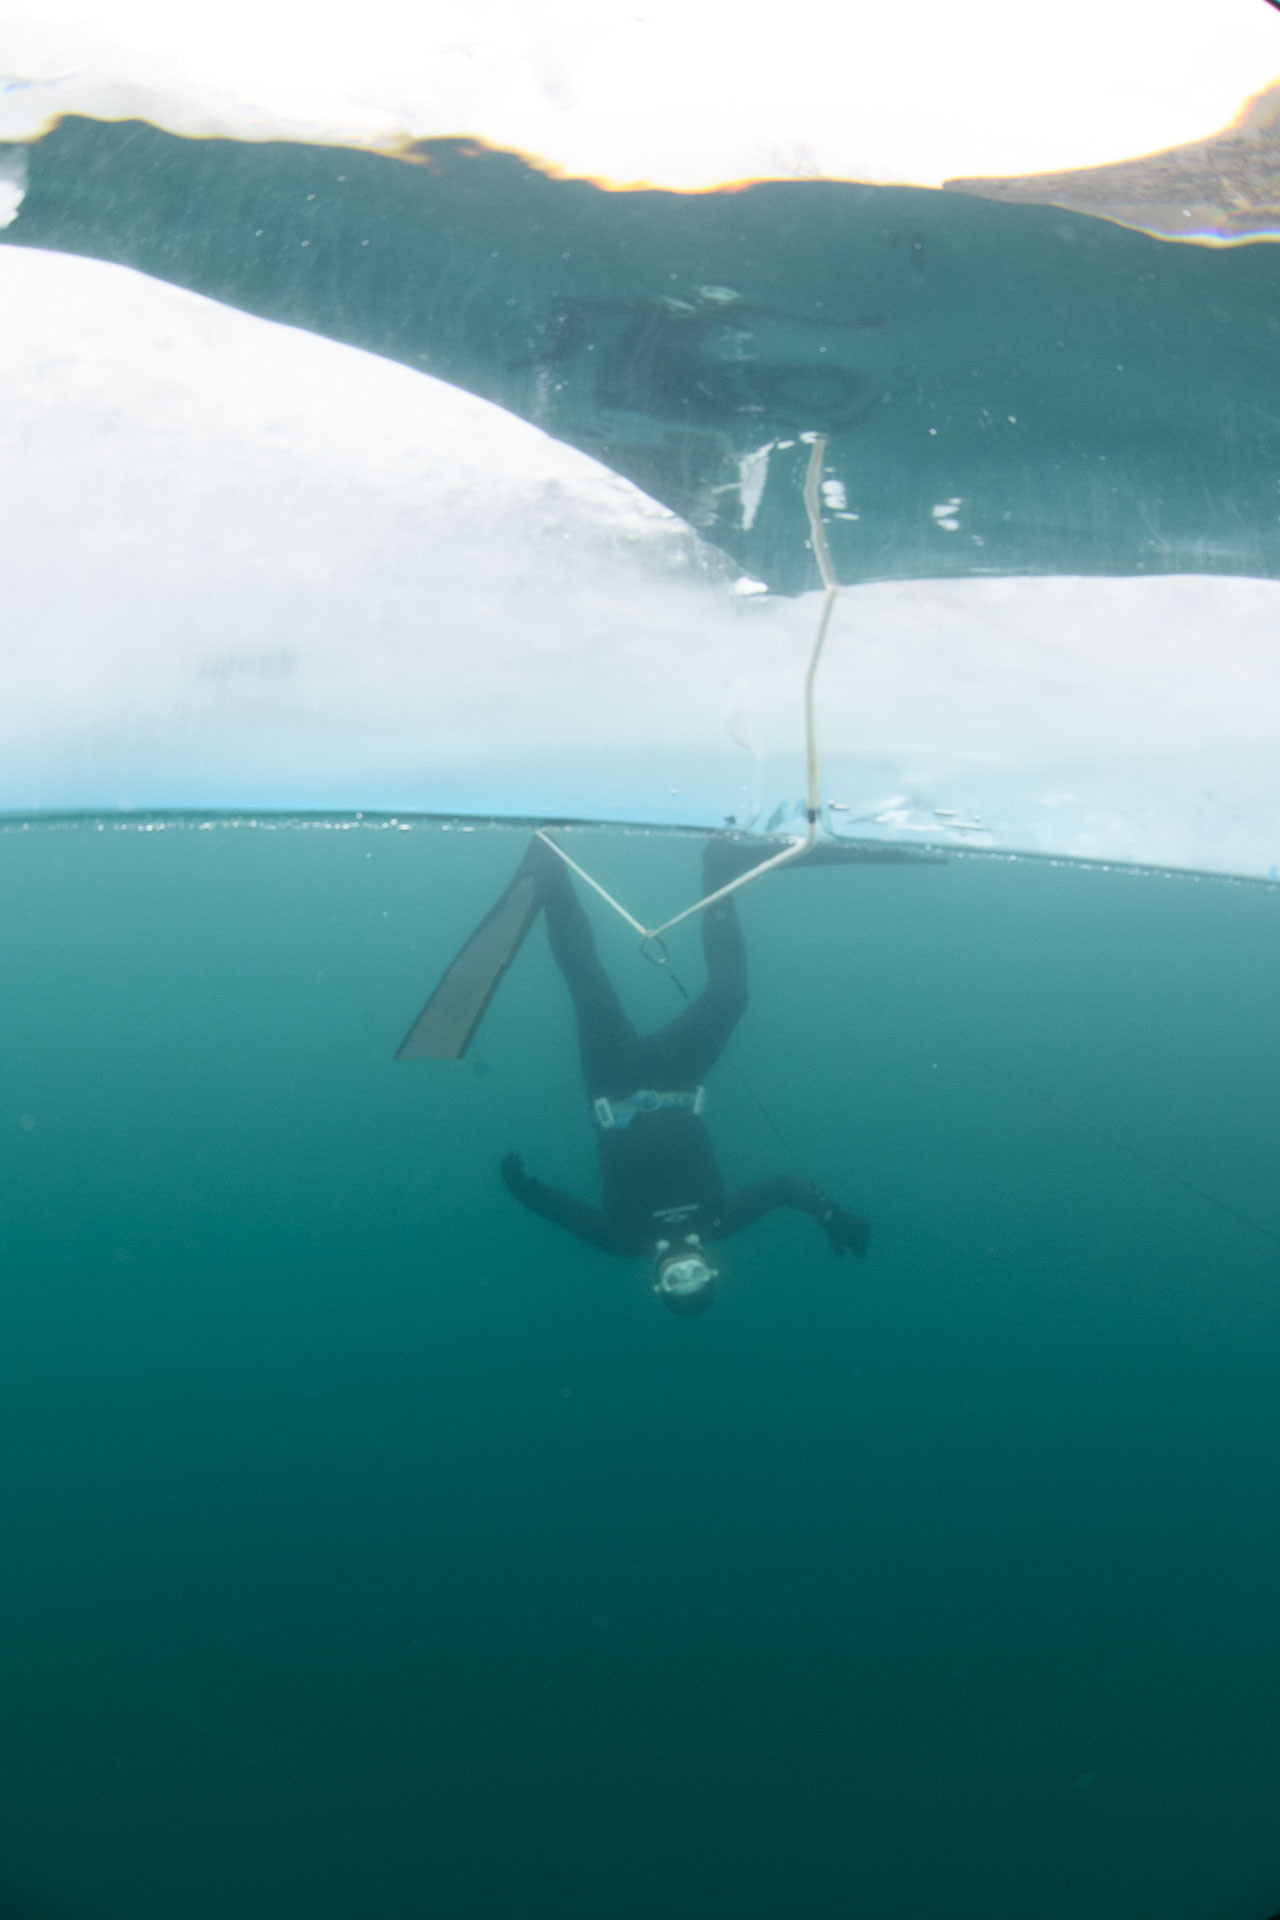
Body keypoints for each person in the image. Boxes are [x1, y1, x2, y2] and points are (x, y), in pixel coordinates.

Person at [499, 836, 869, 1313]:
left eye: (678, 1280)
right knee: (732, 996)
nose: (685, 1267)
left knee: (586, 980)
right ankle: (721, 863)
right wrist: (827, 1213)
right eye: (697, 1275)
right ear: (711, 1269)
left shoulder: (621, 1241)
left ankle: (553, 874)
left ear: (659, 1281)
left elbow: (563, 1213)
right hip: (679, 1077)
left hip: (613, 1086)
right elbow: (780, 1189)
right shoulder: (720, 1222)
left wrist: (523, 1191)